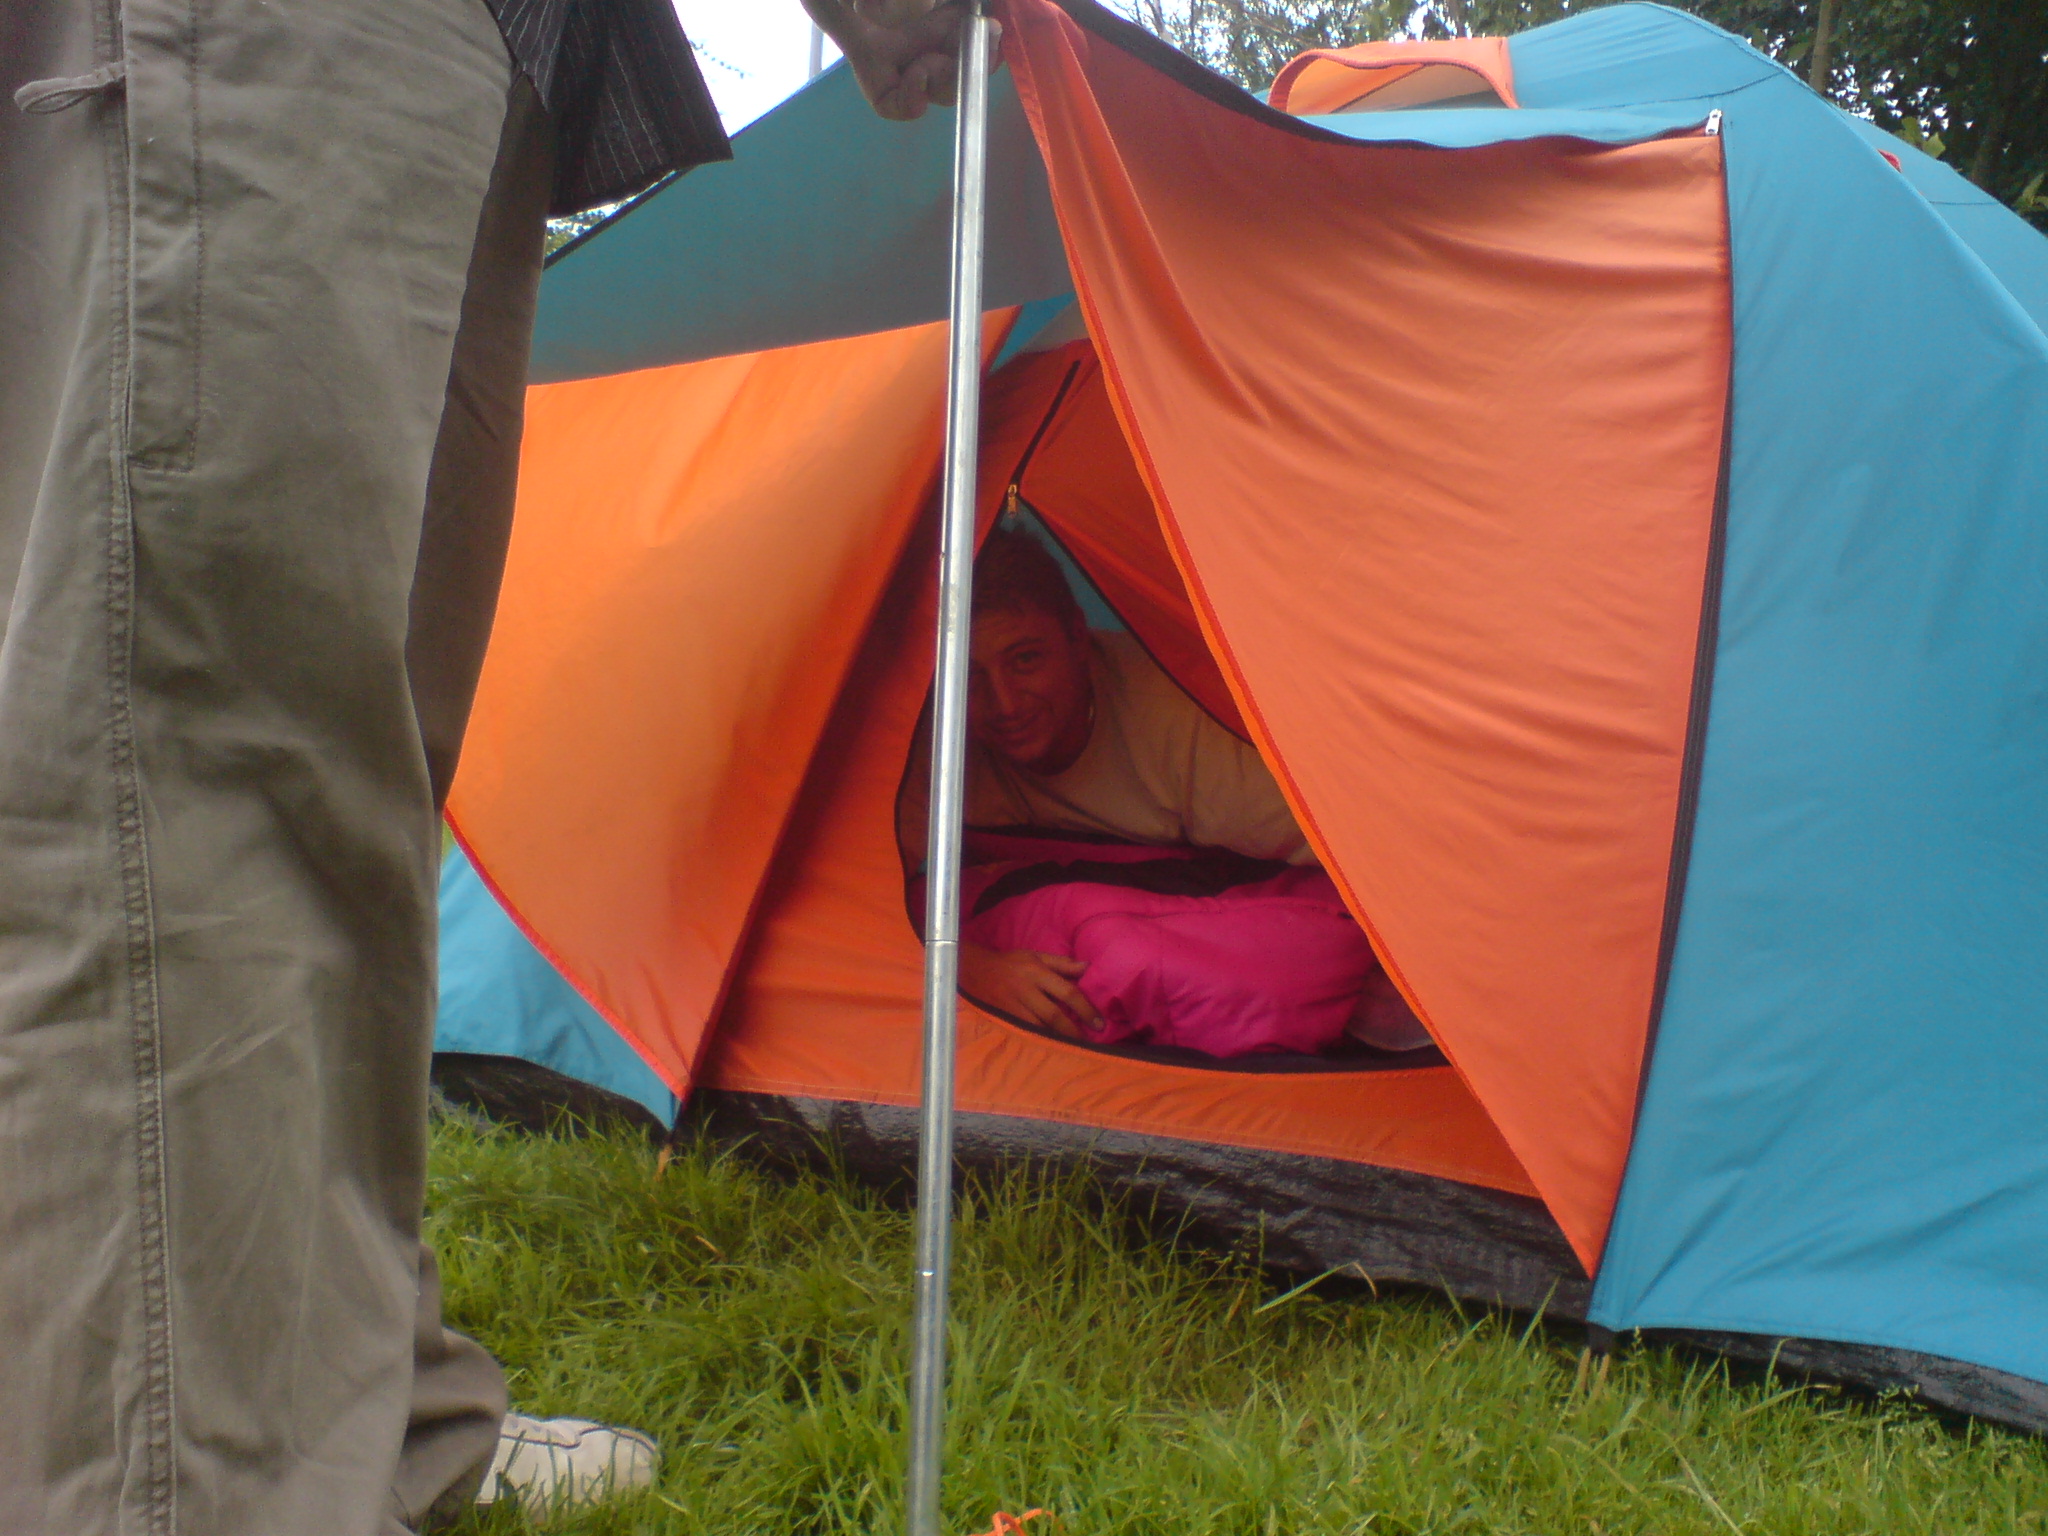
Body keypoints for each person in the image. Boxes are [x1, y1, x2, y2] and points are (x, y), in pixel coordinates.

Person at [0, 2, 968, 1532]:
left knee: (354, 788)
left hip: (482, 56)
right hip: (278, 43)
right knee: (197, 772)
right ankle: (196, 1483)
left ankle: (362, 1416)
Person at [902, 526, 1325, 1036]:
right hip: (1030, 907)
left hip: (1207, 910)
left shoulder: (1183, 724)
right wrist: (964, 968)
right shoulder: (931, 731)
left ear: (1079, 639)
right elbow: (851, 885)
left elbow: (1349, 858)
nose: (1005, 704)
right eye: (969, 676)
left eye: (1026, 660)